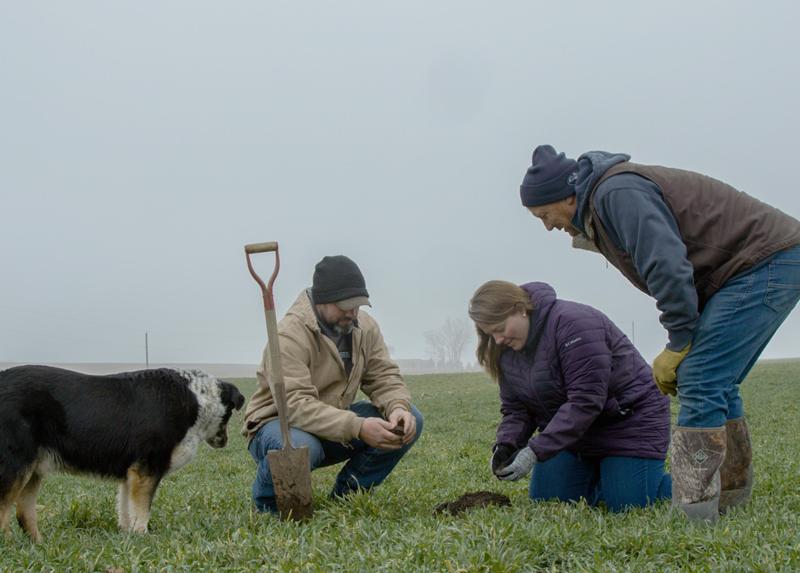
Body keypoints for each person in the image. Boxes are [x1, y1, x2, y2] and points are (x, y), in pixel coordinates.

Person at [519, 144, 800, 521]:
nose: (547, 225)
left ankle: (693, 512)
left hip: (763, 261)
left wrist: (680, 341)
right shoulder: (603, 202)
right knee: (716, 381)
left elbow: (666, 266)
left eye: (544, 214)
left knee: (701, 378)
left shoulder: (615, 194)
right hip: (752, 266)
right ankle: (729, 495)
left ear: (565, 195)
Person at [468, 280, 671, 512]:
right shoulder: (507, 350)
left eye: (500, 329)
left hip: (627, 423)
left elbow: (585, 401)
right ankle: (606, 475)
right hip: (573, 436)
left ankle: (693, 486)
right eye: (490, 334)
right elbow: (517, 409)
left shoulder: (573, 324)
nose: (498, 340)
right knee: (547, 501)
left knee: (628, 506)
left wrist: (536, 450)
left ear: (519, 309)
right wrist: (506, 445)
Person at [242, 255, 423, 513]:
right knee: (302, 446)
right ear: (322, 300)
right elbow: (295, 405)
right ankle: (269, 504)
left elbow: (384, 376)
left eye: (358, 305)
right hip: (278, 425)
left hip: (332, 421)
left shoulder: (364, 327)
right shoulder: (288, 336)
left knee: (409, 420)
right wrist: (358, 427)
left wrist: (397, 407)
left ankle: (348, 495)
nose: (352, 313)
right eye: (345, 306)